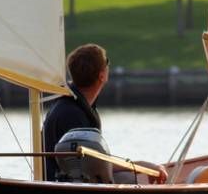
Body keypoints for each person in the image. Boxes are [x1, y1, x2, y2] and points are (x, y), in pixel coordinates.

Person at [43, 43, 167, 183]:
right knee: (132, 178)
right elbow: (96, 164)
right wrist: (142, 167)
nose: (108, 65)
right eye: (106, 62)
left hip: (68, 183)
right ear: (102, 75)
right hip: (70, 190)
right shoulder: (73, 114)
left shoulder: (69, 105)